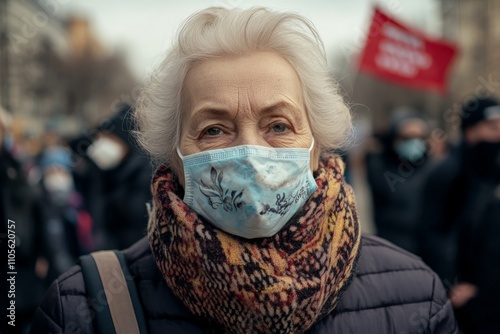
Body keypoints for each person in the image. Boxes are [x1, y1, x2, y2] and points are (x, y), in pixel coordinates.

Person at [30, 7, 457, 333]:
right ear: (173, 154)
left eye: (278, 125)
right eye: (214, 129)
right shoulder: (82, 309)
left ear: (318, 144)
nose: (251, 149)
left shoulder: (416, 296)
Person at [420, 96, 500, 333]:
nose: (498, 135)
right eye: (493, 128)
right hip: (465, 300)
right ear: (470, 131)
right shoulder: (450, 173)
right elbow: (435, 234)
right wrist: (451, 284)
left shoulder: (490, 170)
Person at [69, 104, 152, 250]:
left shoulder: (144, 173)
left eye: (110, 138)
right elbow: (75, 145)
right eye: (101, 138)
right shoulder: (104, 171)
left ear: (125, 141)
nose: (103, 144)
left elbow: (137, 219)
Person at [366, 109, 435, 254]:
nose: (414, 142)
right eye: (406, 138)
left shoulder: (435, 169)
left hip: (427, 251)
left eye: (419, 137)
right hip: (390, 248)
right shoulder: (380, 167)